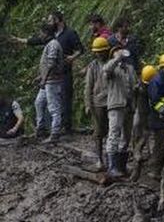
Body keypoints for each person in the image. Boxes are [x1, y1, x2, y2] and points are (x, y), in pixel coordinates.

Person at [16, 12, 83, 134]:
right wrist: (20, 40)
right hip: (51, 74)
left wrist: (72, 57)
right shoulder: (52, 36)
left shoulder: (69, 33)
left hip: (64, 71)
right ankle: (48, 127)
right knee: (45, 101)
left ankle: (65, 127)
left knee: (64, 98)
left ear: (57, 20)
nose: (48, 22)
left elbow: (80, 49)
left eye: (50, 20)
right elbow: (39, 40)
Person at [102, 47, 138, 177]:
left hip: (128, 106)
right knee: (114, 134)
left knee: (126, 137)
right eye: (118, 51)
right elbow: (106, 70)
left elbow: (134, 84)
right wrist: (117, 59)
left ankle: (121, 166)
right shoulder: (111, 68)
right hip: (116, 105)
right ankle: (112, 166)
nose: (122, 52)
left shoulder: (130, 69)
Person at [34, 22, 65, 142]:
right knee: (39, 102)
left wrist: (44, 79)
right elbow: (48, 65)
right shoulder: (50, 44)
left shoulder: (53, 45)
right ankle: (40, 128)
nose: (40, 35)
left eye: (41, 33)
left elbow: (51, 64)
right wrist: (40, 77)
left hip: (52, 81)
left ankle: (55, 133)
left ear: (46, 33)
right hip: (48, 80)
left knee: (54, 107)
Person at [84, 37, 111, 170]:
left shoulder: (112, 63)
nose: (99, 54)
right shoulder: (93, 66)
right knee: (99, 132)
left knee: (112, 132)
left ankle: (111, 159)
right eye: (97, 52)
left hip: (112, 101)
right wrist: (88, 104)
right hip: (98, 103)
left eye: (102, 51)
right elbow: (88, 87)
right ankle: (99, 159)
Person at [132, 65, 157, 162]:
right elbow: (134, 99)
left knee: (148, 132)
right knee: (137, 129)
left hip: (150, 111)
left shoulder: (155, 84)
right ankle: (136, 151)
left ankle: (149, 152)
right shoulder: (138, 87)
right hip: (141, 110)